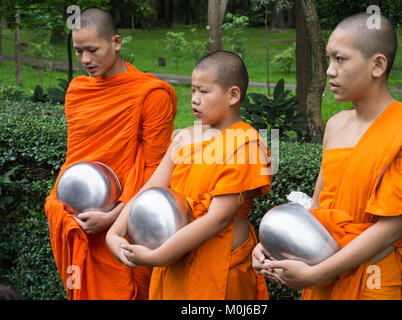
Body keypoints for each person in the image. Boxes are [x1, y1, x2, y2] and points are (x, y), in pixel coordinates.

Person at [253, 12, 402, 300]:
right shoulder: (335, 125)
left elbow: (389, 229)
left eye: (340, 59)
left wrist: (320, 272)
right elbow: (319, 207)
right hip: (322, 269)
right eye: (329, 59)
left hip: (372, 278)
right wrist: (272, 247)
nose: (330, 70)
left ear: (377, 64)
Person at [107, 50, 273, 300]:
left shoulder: (246, 145)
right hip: (175, 259)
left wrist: (159, 256)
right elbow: (151, 190)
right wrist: (115, 231)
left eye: (204, 92)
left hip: (218, 264)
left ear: (233, 95)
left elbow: (217, 219)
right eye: (193, 90)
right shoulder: (185, 136)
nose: (195, 99)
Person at [44, 8, 177, 300]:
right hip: (77, 219)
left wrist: (115, 218)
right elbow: (75, 158)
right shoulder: (77, 91)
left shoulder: (151, 94)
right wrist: (62, 207)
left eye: (93, 50)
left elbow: (156, 170)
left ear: (115, 42)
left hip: (128, 224)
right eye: (78, 51)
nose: (85, 60)